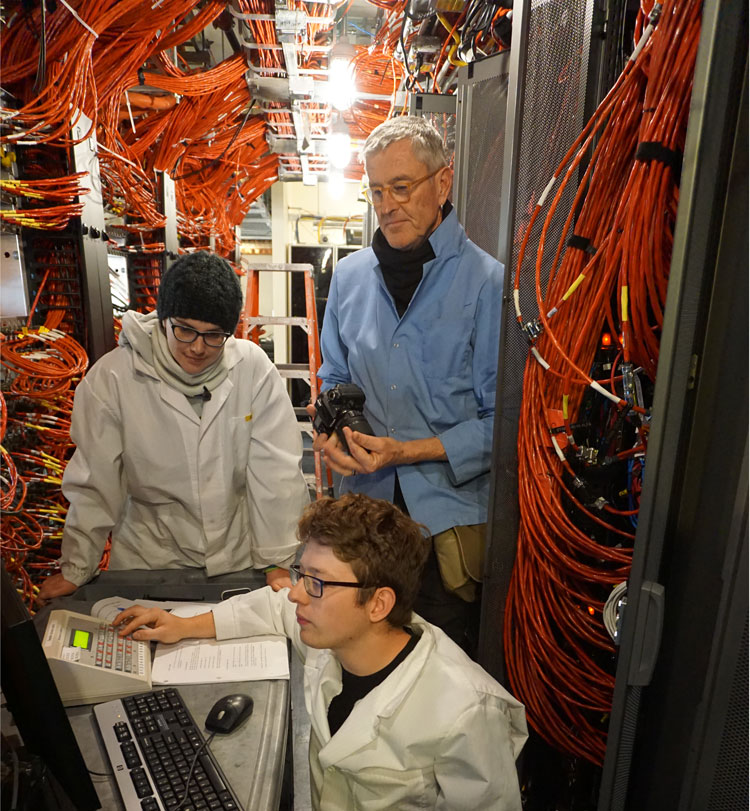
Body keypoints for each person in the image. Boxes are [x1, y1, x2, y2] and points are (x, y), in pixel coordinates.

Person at [114, 493, 528, 810]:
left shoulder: (467, 711)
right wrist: (184, 625)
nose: (295, 593)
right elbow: (272, 607)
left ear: (378, 604)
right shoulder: (331, 638)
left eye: (316, 581)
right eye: (301, 573)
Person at [307, 116, 504, 649]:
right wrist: (330, 438)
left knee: (441, 679)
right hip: (364, 525)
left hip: (446, 534)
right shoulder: (349, 278)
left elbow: (500, 424)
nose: (387, 204)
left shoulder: (487, 283)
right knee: (361, 664)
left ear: (442, 182)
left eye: (401, 187)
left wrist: (405, 452)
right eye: (376, 190)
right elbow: (334, 377)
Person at [38, 251, 309, 602]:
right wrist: (76, 568)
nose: (197, 347)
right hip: (149, 561)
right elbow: (95, 482)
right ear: (164, 318)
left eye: (214, 336)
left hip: (238, 557)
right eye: (185, 330)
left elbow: (276, 473)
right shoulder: (113, 378)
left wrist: (275, 560)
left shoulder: (252, 369)